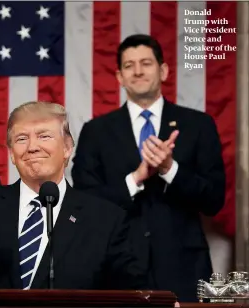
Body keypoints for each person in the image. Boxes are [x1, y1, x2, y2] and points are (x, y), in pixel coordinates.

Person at [0, 101, 147, 304]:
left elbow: (133, 290)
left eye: (44, 136)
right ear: (11, 154)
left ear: (67, 148)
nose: (32, 147)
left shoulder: (105, 218)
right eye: (21, 139)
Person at [71, 34, 226, 302]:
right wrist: (135, 179)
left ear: (163, 70)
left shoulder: (198, 125)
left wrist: (170, 169)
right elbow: (84, 202)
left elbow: (214, 199)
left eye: (146, 63)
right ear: (119, 76)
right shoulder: (95, 132)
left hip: (184, 270)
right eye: (129, 65)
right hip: (116, 270)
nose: (138, 71)